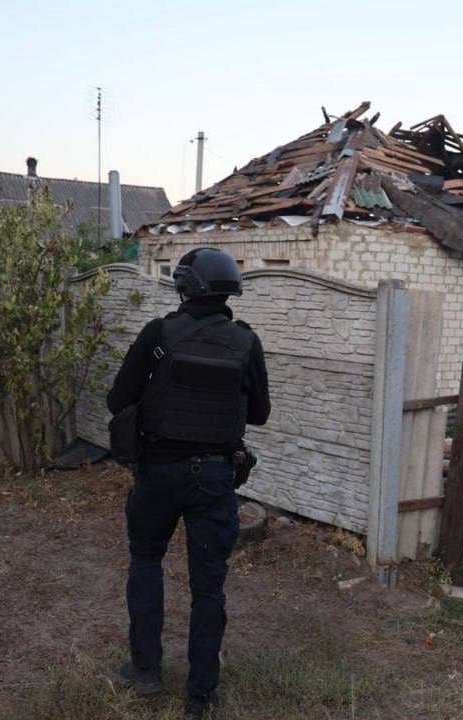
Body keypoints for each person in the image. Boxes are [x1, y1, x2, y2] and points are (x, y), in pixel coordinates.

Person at [106, 247, 270, 719]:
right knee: (208, 588)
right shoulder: (244, 342)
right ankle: (200, 697)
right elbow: (259, 413)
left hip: (157, 475)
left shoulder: (158, 334)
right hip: (214, 479)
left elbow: (119, 398)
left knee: (145, 560)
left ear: (184, 286)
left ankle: (146, 671)